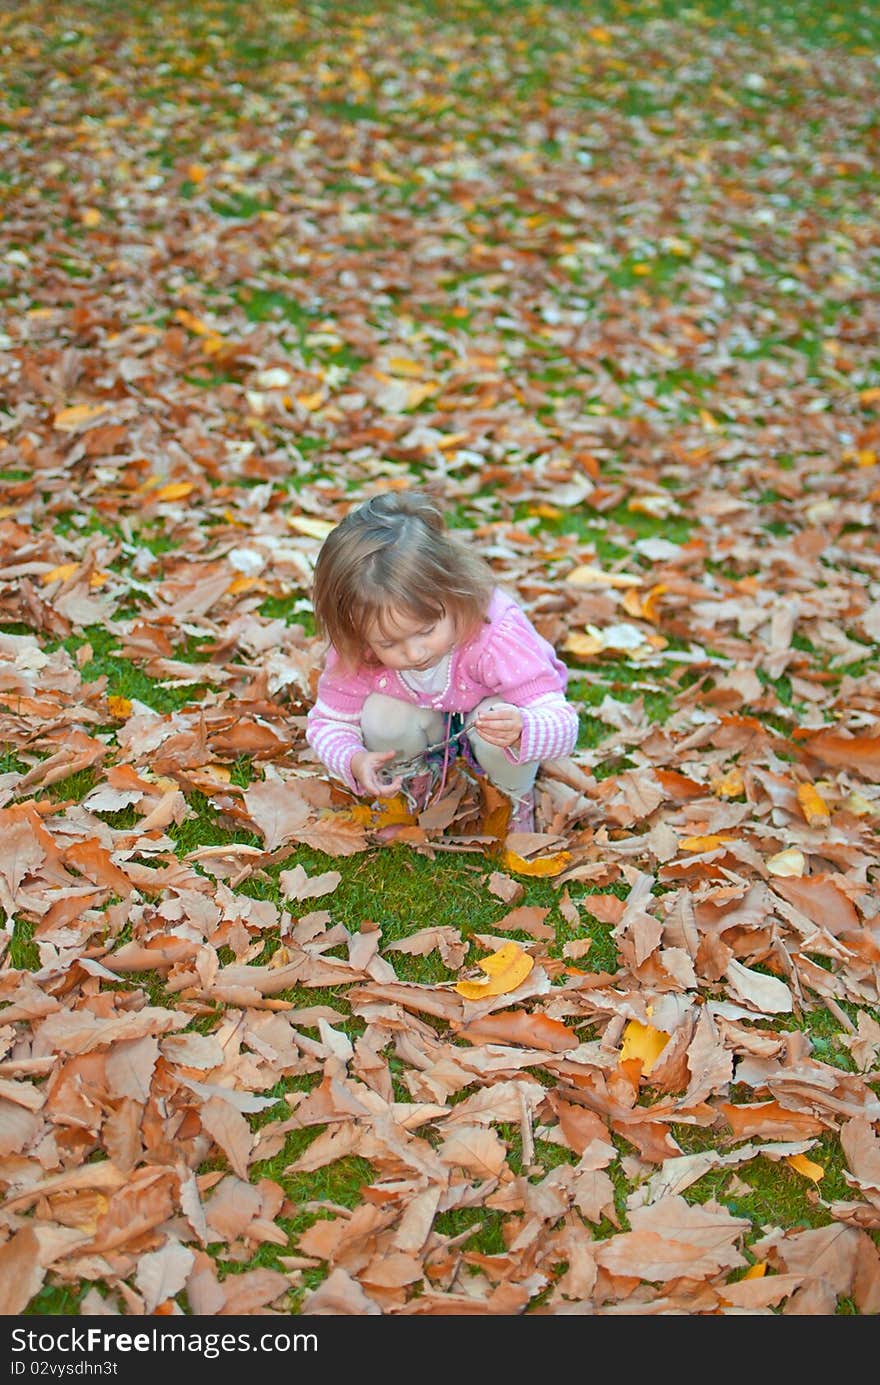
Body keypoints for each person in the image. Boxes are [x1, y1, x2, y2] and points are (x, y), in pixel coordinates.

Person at [305, 490, 579, 833]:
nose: (415, 653)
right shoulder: (359, 650)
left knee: (495, 721)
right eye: (390, 643)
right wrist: (353, 759)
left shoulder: (495, 632)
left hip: (489, 712)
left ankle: (512, 797)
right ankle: (410, 785)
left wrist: (525, 728)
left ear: (452, 590)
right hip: (420, 713)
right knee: (382, 716)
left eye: (426, 630)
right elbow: (327, 723)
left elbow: (564, 723)